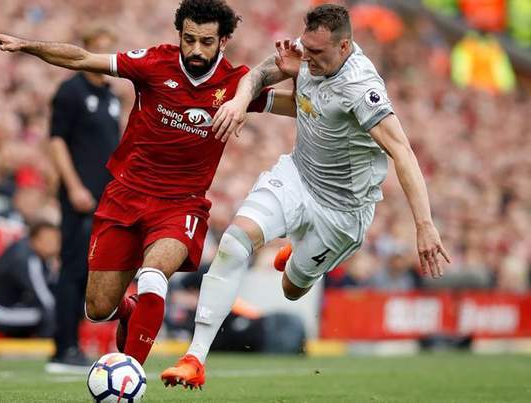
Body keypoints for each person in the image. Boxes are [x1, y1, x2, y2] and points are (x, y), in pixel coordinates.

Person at [0, 0, 294, 368]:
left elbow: (294, 106)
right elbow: (83, 59)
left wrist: (307, 78)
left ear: (223, 41)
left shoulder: (236, 86)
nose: (195, 49)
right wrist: (25, 44)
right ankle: (129, 310)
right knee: (97, 308)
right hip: (125, 196)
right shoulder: (154, 63)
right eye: (188, 39)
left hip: (181, 204)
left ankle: (131, 373)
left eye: (206, 42)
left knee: (153, 275)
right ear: (179, 35)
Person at [161, 3, 450, 389]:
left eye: (316, 52)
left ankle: (296, 253)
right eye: (306, 47)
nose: (307, 56)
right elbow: (258, 74)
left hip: (343, 212)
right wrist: (240, 102)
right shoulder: (308, 50)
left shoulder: (361, 88)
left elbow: (403, 152)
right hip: (297, 176)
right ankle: (195, 358)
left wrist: (424, 225)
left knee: (292, 289)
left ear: (344, 47)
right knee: (233, 243)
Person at [46, 24, 122, 372]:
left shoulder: (110, 96)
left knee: (91, 270)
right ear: (87, 49)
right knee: (73, 268)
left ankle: (74, 344)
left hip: (105, 197)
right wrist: (74, 186)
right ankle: (63, 347)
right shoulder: (71, 91)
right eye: (98, 47)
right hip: (80, 196)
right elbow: (57, 140)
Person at [0, 221, 60, 338]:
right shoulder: (27, 257)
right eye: (49, 240)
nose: (55, 245)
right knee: (49, 315)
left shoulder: (34, 254)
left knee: (49, 312)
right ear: (35, 240)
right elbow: (44, 298)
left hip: (14, 308)